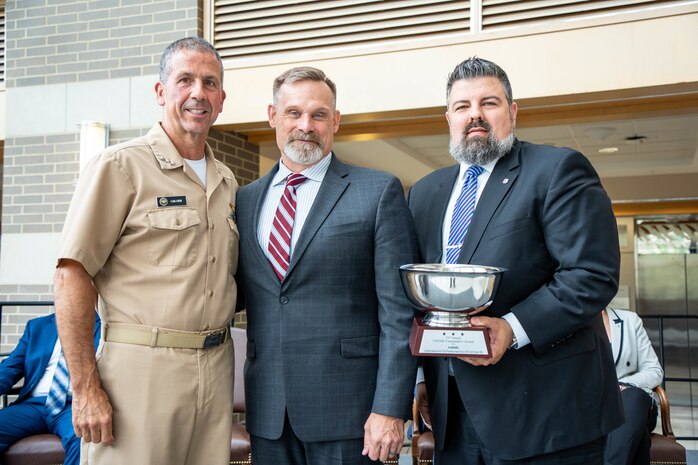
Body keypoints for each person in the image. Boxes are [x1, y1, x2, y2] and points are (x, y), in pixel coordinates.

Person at [407, 57, 623, 464]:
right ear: (448, 117)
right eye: (462, 106)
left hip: (547, 416)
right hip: (453, 413)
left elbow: (591, 275)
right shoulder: (424, 192)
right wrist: (423, 376)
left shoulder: (557, 170)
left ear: (512, 111)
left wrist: (511, 328)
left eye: (489, 103)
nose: (475, 115)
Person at [53, 37, 238, 465]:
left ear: (222, 99)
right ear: (161, 92)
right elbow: (71, 274)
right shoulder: (120, 165)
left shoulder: (227, 182)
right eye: (185, 80)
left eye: (210, 83)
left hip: (215, 368)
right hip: (141, 371)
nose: (198, 93)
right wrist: (84, 388)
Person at [235, 66, 419, 465]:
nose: (306, 125)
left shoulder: (377, 191)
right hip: (269, 412)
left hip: (350, 413)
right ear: (272, 116)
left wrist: (390, 407)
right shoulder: (244, 200)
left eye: (319, 115)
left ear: (335, 121)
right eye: (294, 113)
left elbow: (398, 311)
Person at [0, 313, 100, 465]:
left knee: (82, 439)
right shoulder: (37, 326)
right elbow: (10, 368)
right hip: (33, 405)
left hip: (75, 404)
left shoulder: (105, 325)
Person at [603, 307, 664, 465]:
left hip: (633, 405)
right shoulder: (570, 325)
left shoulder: (629, 320)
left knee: (632, 398)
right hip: (595, 409)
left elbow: (654, 370)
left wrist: (622, 385)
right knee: (640, 435)